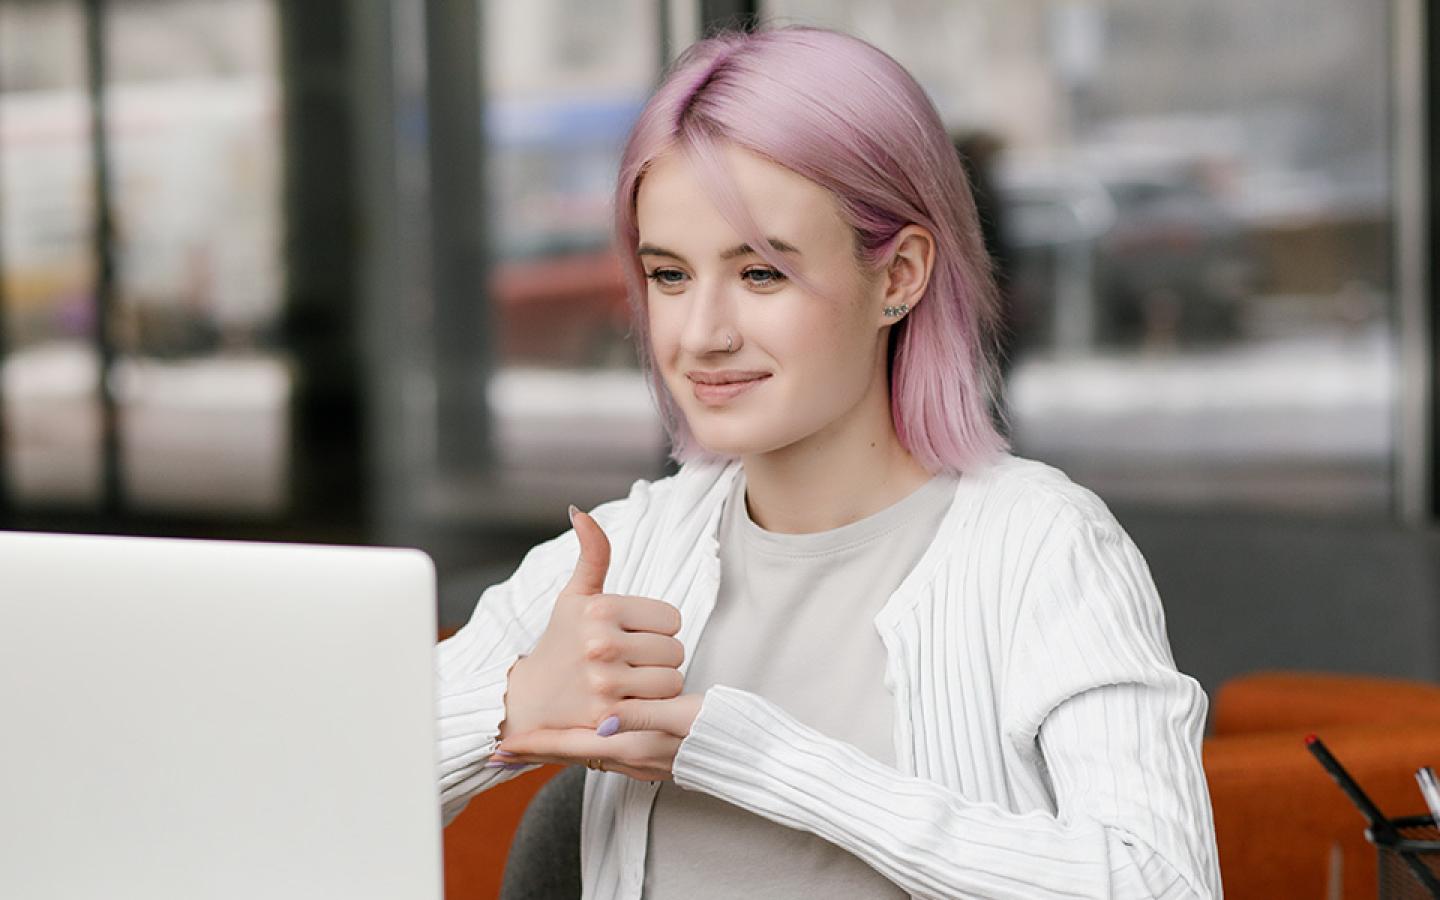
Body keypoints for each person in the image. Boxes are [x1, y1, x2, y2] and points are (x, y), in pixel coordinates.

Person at [436, 24, 1220, 900]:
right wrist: (504, 711)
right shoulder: (623, 555)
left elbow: (1163, 885)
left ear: (902, 275)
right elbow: (288, 789)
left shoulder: (1040, 548)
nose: (702, 335)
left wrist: (763, 759)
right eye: (669, 276)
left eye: (762, 273)